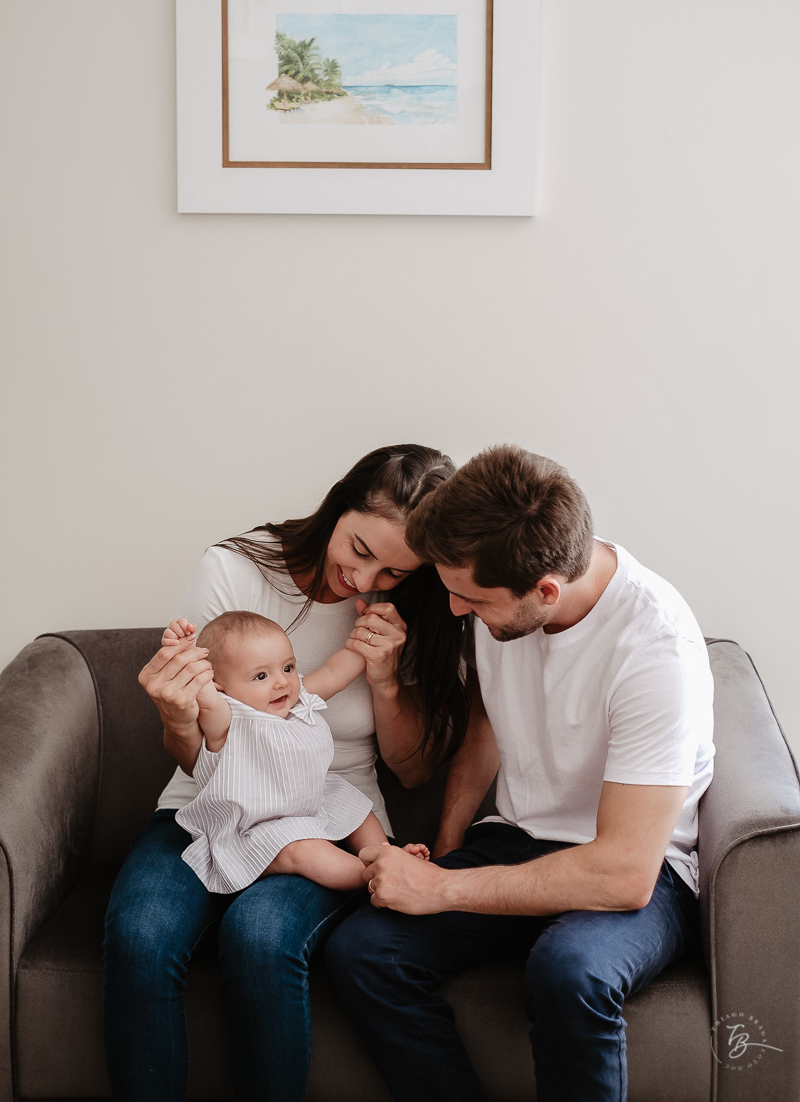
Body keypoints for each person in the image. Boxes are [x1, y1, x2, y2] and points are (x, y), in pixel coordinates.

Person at [325, 445, 715, 1102]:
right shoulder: (500, 588)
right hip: (516, 837)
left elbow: (623, 874)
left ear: (544, 592)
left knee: (569, 970)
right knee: (365, 950)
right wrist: (446, 852)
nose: (453, 611)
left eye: (470, 599)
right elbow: (488, 723)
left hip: (640, 868)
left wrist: (443, 891)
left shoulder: (654, 649)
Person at [103, 444, 467, 1102]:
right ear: (337, 504)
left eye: (392, 569)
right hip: (211, 801)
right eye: (359, 548)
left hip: (320, 816)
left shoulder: (415, 609)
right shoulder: (233, 572)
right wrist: (178, 717)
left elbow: (413, 772)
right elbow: (195, 752)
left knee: (260, 937)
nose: (363, 578)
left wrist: (384, 678)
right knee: (138, 935)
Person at [164, 612, 428, 893]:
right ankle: (372, 877)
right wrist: (183, 653)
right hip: (257, 828)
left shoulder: (298, 701)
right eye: (261, 675)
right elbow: (204, 697)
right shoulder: (226, 720)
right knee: (305, 852)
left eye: (288, 668)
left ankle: (384, 854)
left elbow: (333, 673)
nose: (281, 682)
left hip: (311, 804)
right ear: (219, 686)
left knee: (356, 805)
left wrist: (367, 641)